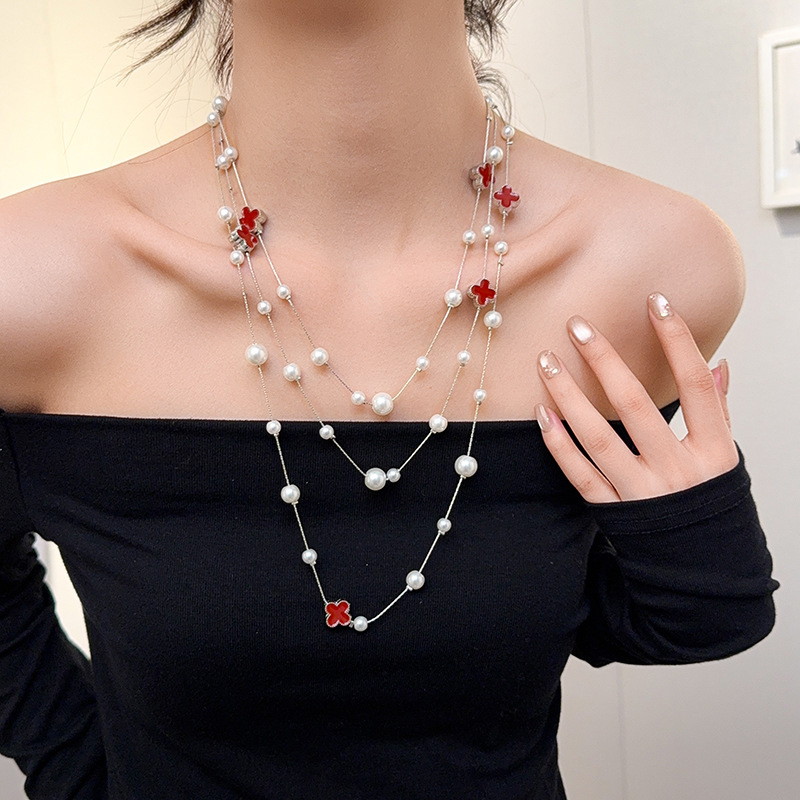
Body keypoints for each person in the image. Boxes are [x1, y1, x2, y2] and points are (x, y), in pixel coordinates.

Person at [0, 1, 779, 798]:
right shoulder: (25, 283)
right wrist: (79, 770)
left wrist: (701, 565)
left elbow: (561, 601)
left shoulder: (656, 263)